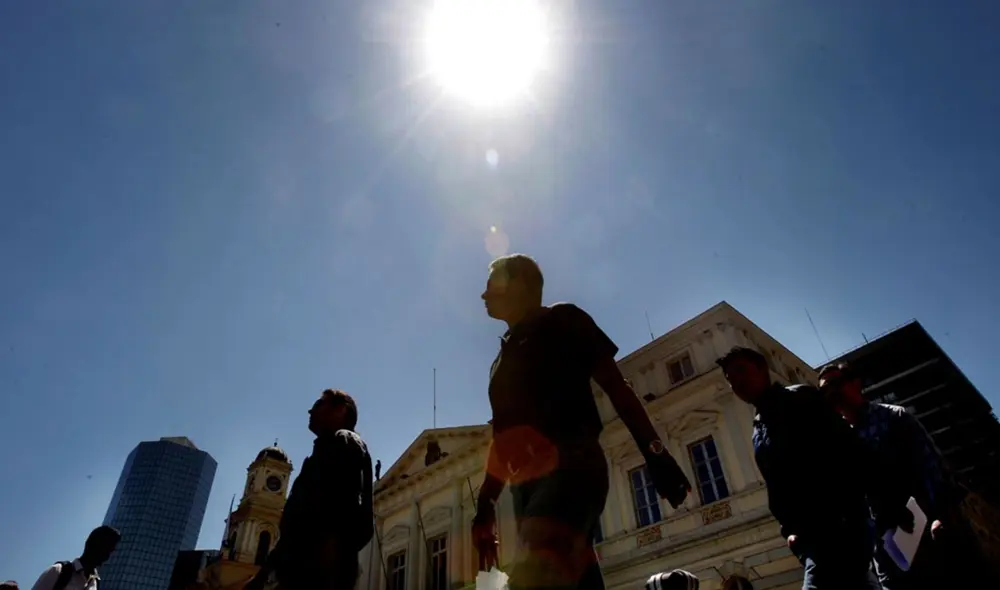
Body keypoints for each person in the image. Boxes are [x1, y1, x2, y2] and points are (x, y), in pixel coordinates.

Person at [474, 254, 691, 590]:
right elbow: (501, 440)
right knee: (578, 576)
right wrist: (485, 505)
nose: (484, 295)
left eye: (492, 285)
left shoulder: (564, 319)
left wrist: (657, 454)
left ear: (519, 284)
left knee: (534, 569)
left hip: (572, 467)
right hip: (527, 488)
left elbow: (617, 388)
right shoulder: (499, 363)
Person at [716, 346, 893, 590]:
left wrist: (853, 517)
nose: (736, 381)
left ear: (762, 369)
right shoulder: (758, 429)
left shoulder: (800, 398)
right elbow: (776, 487)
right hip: (812, 539)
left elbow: (850, 449)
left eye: (741, 370)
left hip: (839, 527)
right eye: (729, 378)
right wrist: (789, 532)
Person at [819, 362, 995, 589]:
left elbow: (931, 469)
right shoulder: (839, 442)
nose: (831, 393)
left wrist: (939, 516)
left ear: (855, 384)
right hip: (885, 548)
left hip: (923, 532)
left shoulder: (894, 418)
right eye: (824, 390)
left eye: (835, 384)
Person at [246, 389, 374, 590]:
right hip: (301, 571)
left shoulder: (345, 441)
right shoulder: (320, 454)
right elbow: (294, 527)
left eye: (318, 404)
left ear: (340, 410)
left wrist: (327, 563)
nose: (310, 411)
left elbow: (343, 509)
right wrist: (262, 575)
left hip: (316, 572)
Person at [31, 526, 120, 590]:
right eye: (105, 549)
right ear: (92, 545)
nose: (107, 556)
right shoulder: (58, 571)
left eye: (110, 551)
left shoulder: (95, 583)